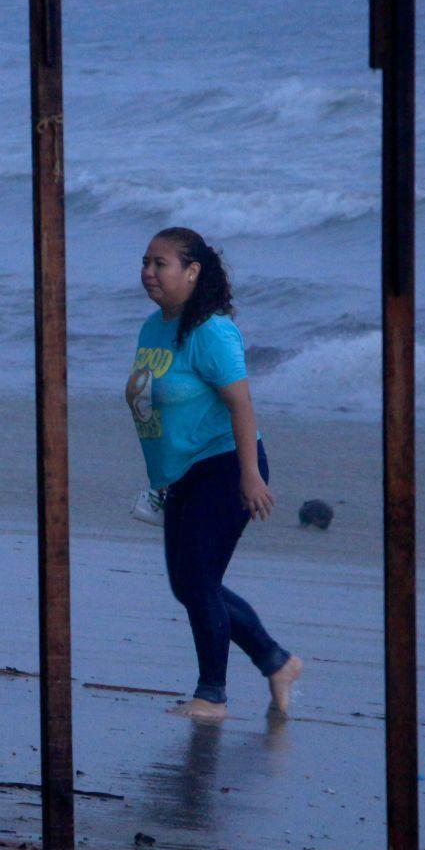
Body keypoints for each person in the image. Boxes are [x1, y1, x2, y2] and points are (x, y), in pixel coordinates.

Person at [126, 227, 301, 723]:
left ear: (193, 271)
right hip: (182, 474)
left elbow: (241, 405)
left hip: (225, 467)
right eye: (146, 262)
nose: (149, 272)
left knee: (200, 580)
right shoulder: (153, 327)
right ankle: (277, 661)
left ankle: (212, 696)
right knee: (188, 584)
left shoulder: (211, 331)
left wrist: (250, 475)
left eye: (161, 264)